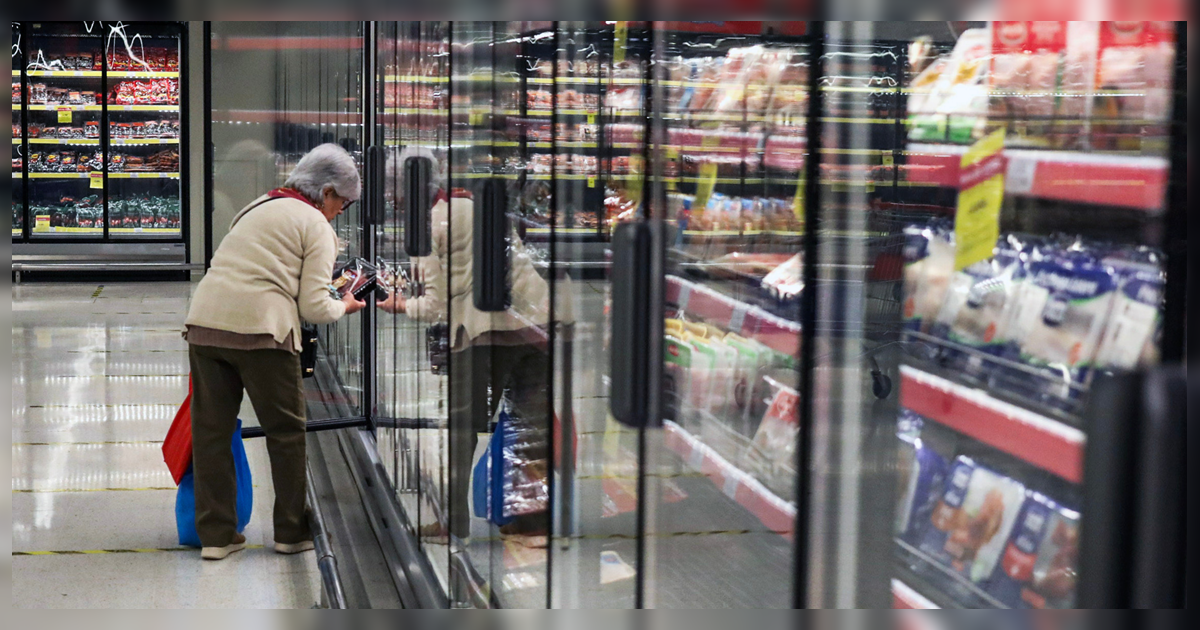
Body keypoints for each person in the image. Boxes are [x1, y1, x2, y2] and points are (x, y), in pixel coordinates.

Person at [184, 144, 367, 561]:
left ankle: (215, 536)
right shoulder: (318, 226)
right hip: (263, 332)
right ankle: (290, 531)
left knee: (212, 433)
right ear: (326, 192)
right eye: (344, 201)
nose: (343, 209)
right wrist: (346, 304)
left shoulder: (257, 205)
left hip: (205, 323)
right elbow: (314, 307)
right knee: (285, 433)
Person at [378, 151, 557, 543]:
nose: (391, 202)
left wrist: (398, 303)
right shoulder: (468, 202)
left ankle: (452, 523)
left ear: (403, 193)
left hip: (483, 334)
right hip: (539, 324)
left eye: (393, 194)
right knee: (531, 429)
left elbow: (435, 306)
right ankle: (533, 526)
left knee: (461, 430)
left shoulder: (426, 226)